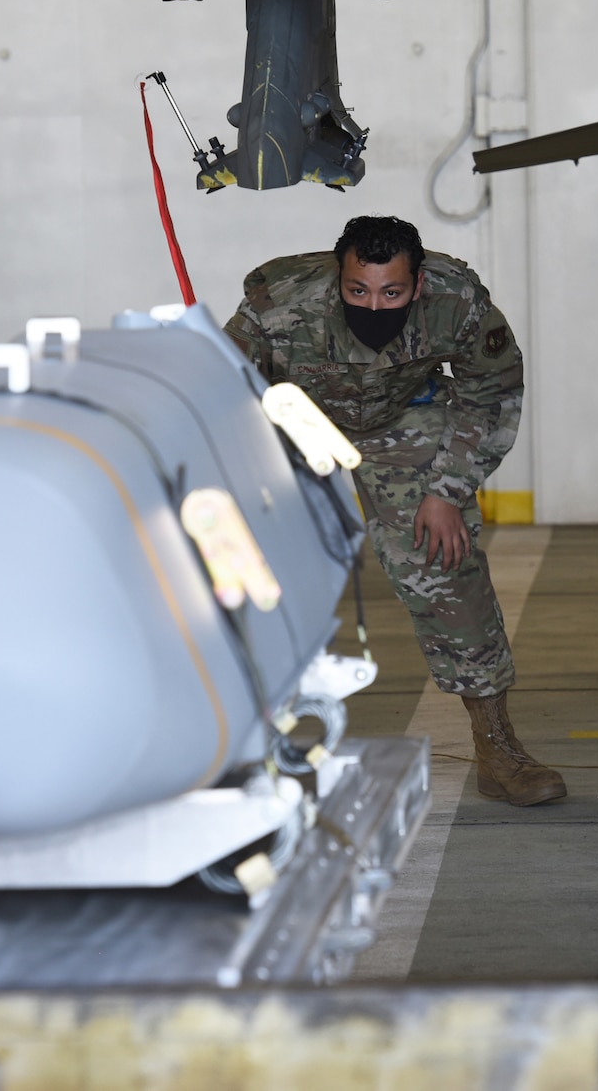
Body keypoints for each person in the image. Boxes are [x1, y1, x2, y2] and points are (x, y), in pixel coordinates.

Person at [226, 215, 566, 806]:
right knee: (238, 572)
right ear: (339, 276)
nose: (374, 305)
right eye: (357, 290)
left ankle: (497, 749)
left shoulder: (456, 299)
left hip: (400, 419)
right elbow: (226, 391)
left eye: (392, 292)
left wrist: (447, 491)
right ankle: (239, 747)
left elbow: (491, 388)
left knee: (445, 568)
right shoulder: (277, 304)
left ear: (419, 281)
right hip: (298, 423)